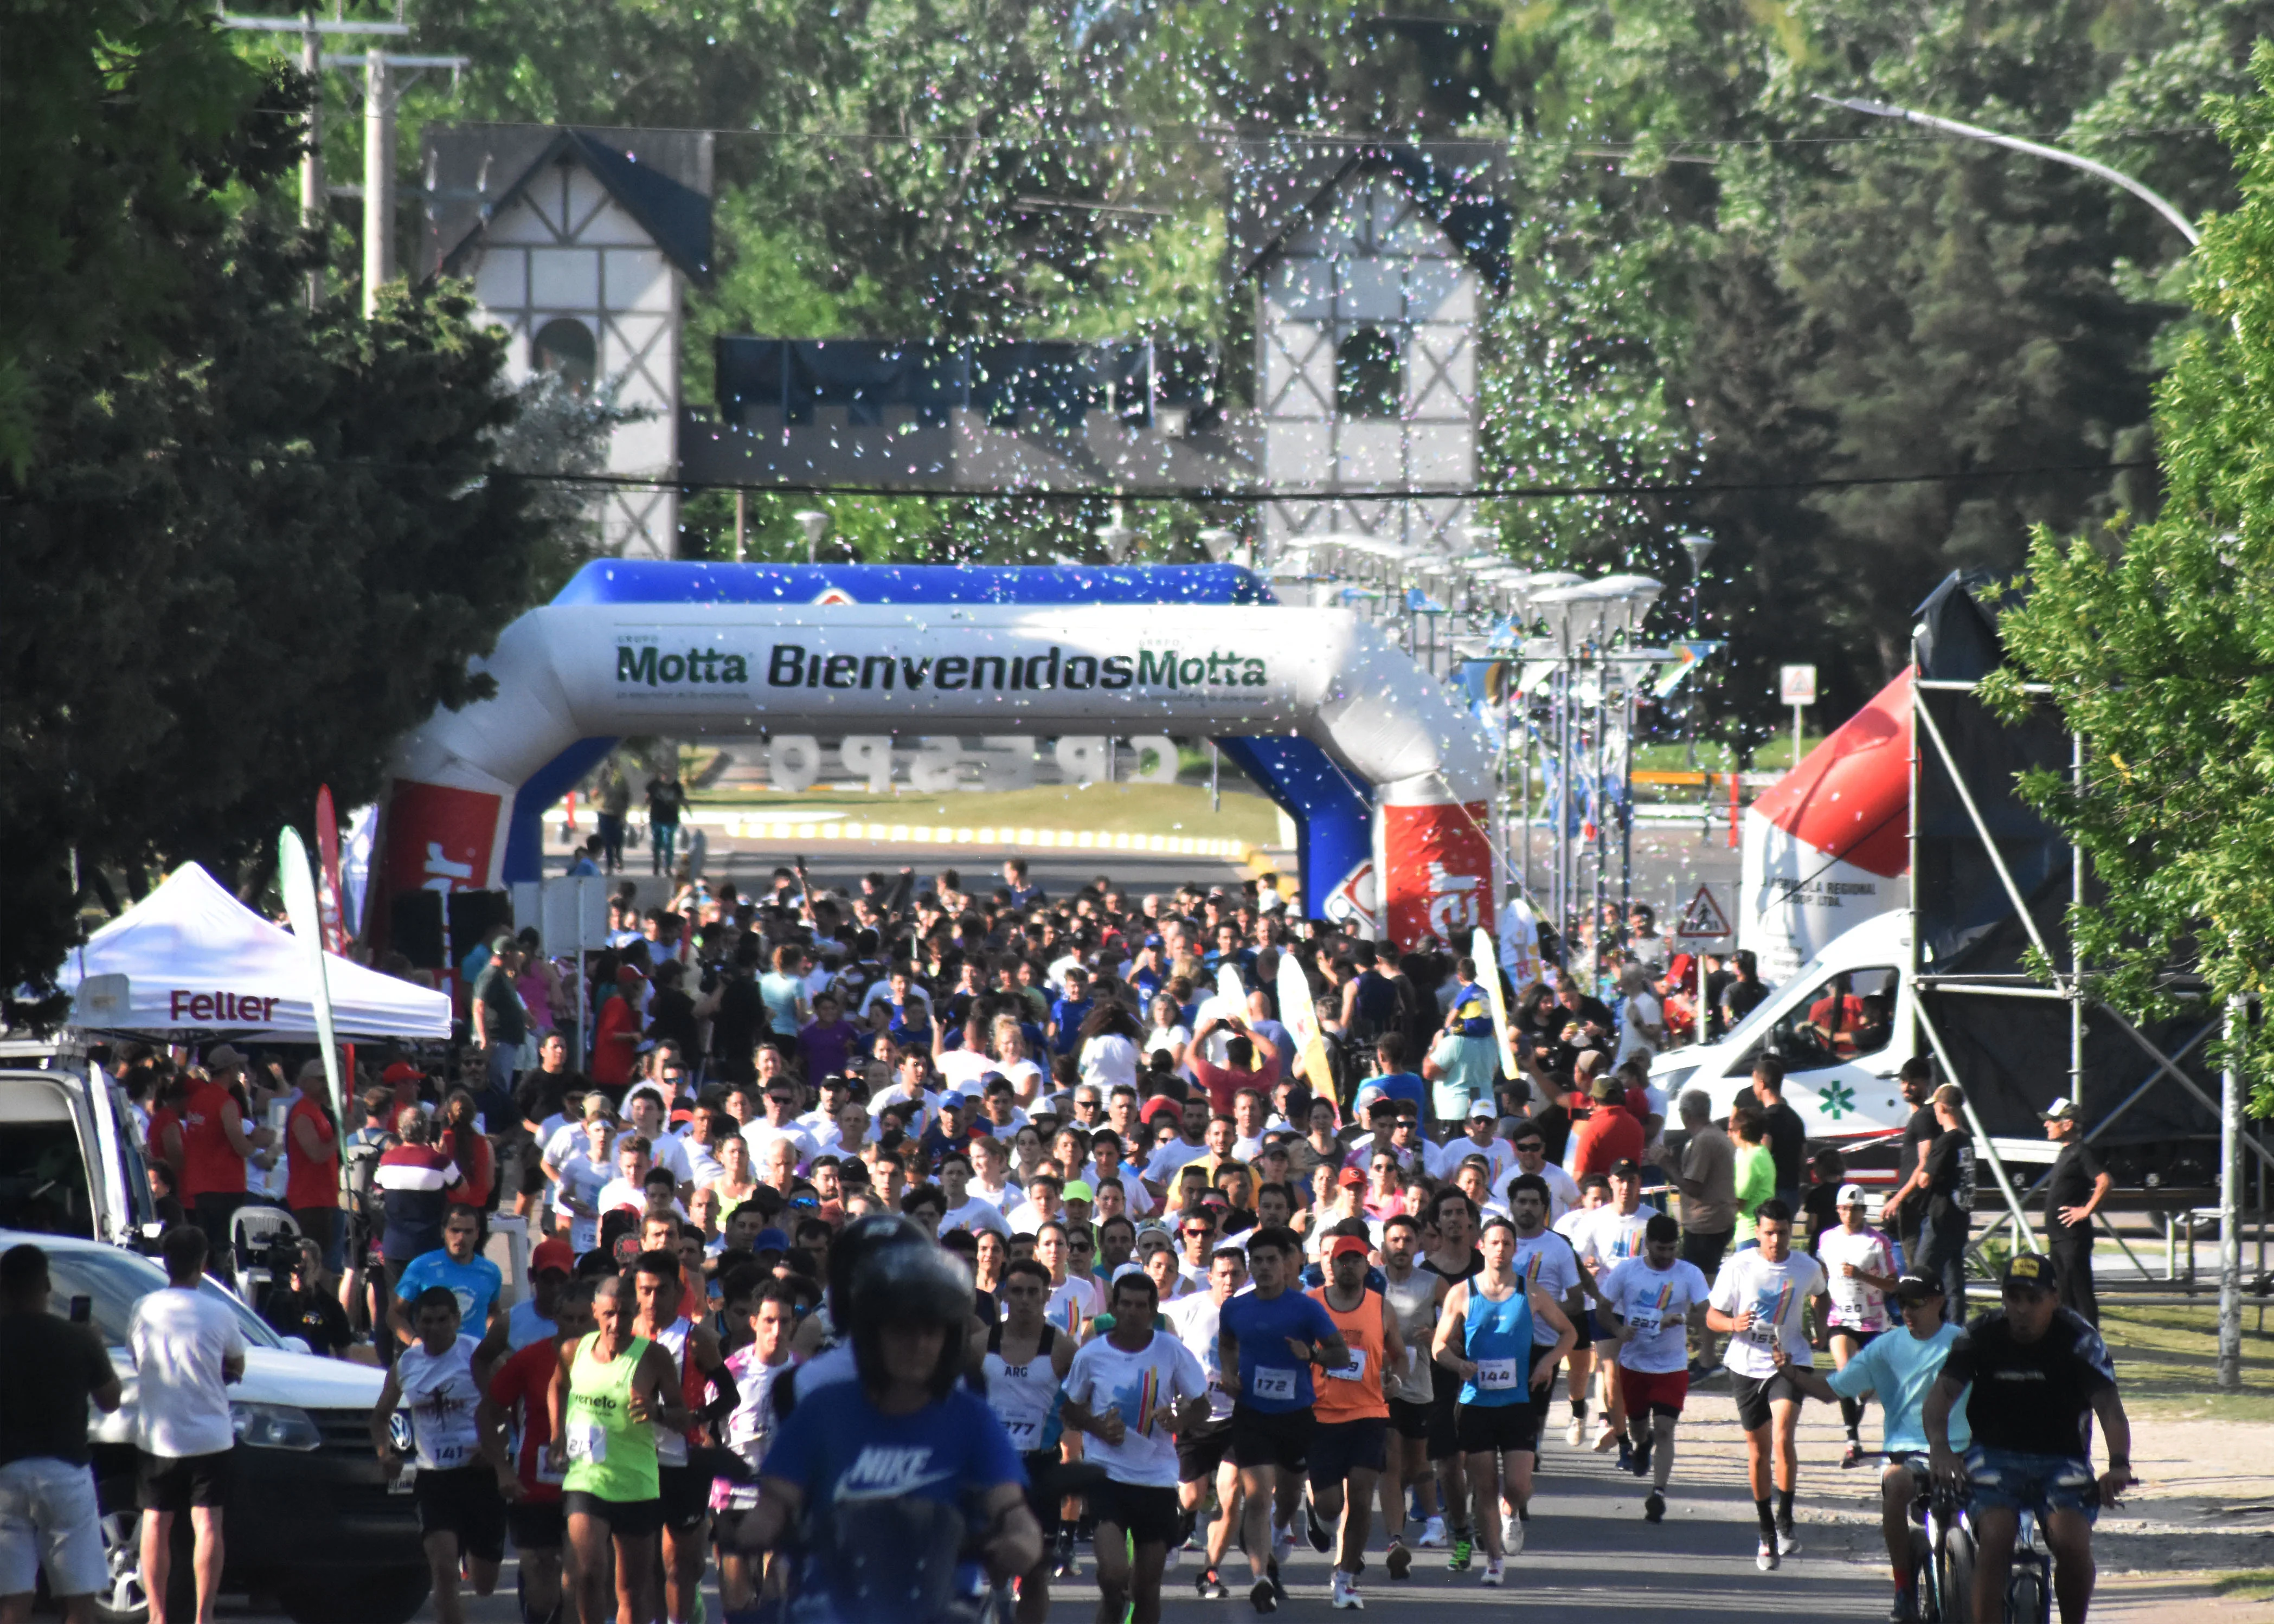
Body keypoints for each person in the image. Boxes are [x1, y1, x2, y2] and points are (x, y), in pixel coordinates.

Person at [725, 1224, 1043, 1624]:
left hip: (941, 1605)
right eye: (903, 1330)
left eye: (932, 1331)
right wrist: (755, 1529)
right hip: (833, 1605)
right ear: (872, 1335)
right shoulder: (821, 1412)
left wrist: (1021, 1542)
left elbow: (1013, 1511)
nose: (920, 1345)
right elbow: (775, 1503)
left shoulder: (972, 1418)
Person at [1925, 1253, 2130, 1624]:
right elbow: (1940, 1398)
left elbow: (2110, 1409)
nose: (2021, 1309)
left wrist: (2118, 1465)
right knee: (1996, 1535)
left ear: (2055, 1299)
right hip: (1992, 1455)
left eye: (2033, 1299)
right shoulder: (1981, 1334)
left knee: (2072, 1541)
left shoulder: (2080, 1340)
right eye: (2013, 1297)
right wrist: (1940, 1448)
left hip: (2062, 1459)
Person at [1770, 1273, 1969, 1623]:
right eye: (1901, 1303)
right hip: (1908, 1454)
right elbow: (1832, 1391)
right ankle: (1904, 1587)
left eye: (1916, 1302)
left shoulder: (1965, 1343)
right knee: (1896, 1484)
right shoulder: (1883, 1348)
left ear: (1938, 1301)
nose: (1907, 1310)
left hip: (1966, 1452)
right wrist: (1791, 1374)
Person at [1428, 1215, 1575, 1587]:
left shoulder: (1533, 1293)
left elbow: (1569, 1333)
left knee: (1519, 1485)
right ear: (1482, 1247)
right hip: (1476, 1404)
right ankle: (1494, 1560)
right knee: (1485, 1485)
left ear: (1514, 1249)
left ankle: (1512, 1510)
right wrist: (1459, 1364)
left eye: (1507, 1243)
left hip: (1518, 1403)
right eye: (1494, 1243)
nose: (1500, 1249)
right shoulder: (1462, 1293)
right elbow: (1438, 1346)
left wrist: (1547, 1362)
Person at [1061, 1272, 1211, 1624]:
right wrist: (1098, 1427)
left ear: (1153, 1311)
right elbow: (1069, 1407)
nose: (1131, 1312)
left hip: (1157, 1478)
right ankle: (1112, 1599)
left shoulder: (1170, 1350)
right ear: (1113, 1308)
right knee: (1113, 1577)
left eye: (1140, 1306)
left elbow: (1201, 1404)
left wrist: (1180, 1421)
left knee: (1147, 1590)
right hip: (1106, 1475)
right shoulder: (1092, 1354)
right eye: (1124, 1304)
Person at [1217, 1227, 1349, 1615]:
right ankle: (1260, 1578)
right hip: (1253, 1414)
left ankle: (1283, 1529)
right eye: (1256, 1261)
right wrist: (1230, 1375)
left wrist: (1311, 1354)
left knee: (1290, 1494)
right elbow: (1227, 1343)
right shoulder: (1236, 1308)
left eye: (1272, 1260)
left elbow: (1341, 1355)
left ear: (1287, 1263)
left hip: (1296, 1416)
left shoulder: (1305, 1308)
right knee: (1257, 1496)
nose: (1264, 1267)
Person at [548, 1275, 688, 1624]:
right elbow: (557, 1386)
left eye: (625, 1314)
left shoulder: (652, 1357)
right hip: (587, 1478)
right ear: (595, 1311)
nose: (616, 1323)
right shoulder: (573, 1350)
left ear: (635, 1313)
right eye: (609, 1313)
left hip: (636, 1483)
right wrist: (556, 1434)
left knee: (631, 1591)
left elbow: (681, 1416)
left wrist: (658, 1412)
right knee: (588, 1574)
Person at [129, 1226, 247, 1624]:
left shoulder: (143, 1308)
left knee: (155, 1521)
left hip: (158, 1433)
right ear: (203, 1263)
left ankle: (157, 1616)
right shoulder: (219, 1311)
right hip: (210, 1433)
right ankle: (204, 1615)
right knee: (207, 1523)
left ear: (166, 1262)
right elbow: (238, 1362)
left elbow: (137, 1357)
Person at [0, 1244, 124, 1624]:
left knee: (12, 1598)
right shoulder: (78, 1338)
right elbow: (111, 1401)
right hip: (65, 1470)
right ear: (48, 1284)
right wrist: (95, 1345)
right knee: (80, 1598)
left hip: (6, 1473)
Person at [1704, 1199, 1828, 1571]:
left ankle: (1786, 1518)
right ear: (1757, 1232)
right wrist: (1732, 1326)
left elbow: (1822, 1293)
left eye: (1784, 1232)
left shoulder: (1806, 1266)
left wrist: (1820, 1328)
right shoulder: (1738, 1266)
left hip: (1789, 1361)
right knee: (1758, 1451)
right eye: (1770, 1233)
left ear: (1793, 1231)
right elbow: (1711, 1316)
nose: (1776, 1240)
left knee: (1783, 1436)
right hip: (1745, 1365)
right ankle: (1766, 1532)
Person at [371, 1287, 506, 1624]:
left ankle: (480, 1556)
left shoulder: (477, 1355)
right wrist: (385, 1453)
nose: (433, 1328)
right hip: (434, 1477)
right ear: (416, 1323)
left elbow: (510, 1407)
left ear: (457, 1320)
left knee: (485, 1580)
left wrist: (495, 1448)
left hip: (478, 1472)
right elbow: (380, 1417)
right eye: (426, 1321)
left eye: (442, 1320)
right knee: (444, 1569)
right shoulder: (408, 1364)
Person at [1305, 1233, 1409, 1608]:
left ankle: (1346, 1576)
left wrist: (1395, 1379)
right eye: (1341, 1259)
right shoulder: (1311, 1304)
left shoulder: (1381, 1307)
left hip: (1369, 1411)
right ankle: (1316, 1514)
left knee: (1362, 1495)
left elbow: (1399, 1354)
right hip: (1321, 1413)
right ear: (1329, 1265)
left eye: (1356, 1259)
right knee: (1331, 1506)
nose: (1348, 1266)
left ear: (1368, 1265)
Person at [481, 1281, 595, 1624]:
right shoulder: (529, 1358)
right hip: (534, 1481)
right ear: (555, 1319)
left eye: (584, 1319)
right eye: (568, 1319)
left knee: (580, 1577)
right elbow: (488, 1413)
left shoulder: (611, 1361)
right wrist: (501, 1468)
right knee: (539, 1576)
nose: (576, 1327)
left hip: (591, 1482)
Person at [1595, 1214, 1711, 1525]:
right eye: (1660, 1250)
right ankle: (1641, 1445)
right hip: (1634, 1363)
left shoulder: (1690, 1274)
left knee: (1665, 1428)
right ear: (1647, 1245)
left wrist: (1683, 1319)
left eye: (1672, 1249)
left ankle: (1658, 1493)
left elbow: (1707, 1315)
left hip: (1672, 1366)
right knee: (1639, 1427)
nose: (1666, 1256)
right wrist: (1619, 1332)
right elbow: (1602, 1310)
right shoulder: (1628, 1271)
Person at [985, 1261, 1076, 1624]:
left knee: (1036, 1569)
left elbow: (1081, 1403)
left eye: (1033, 1293)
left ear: (1046, 1296)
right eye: (1017, 1292)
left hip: (1041, 1466)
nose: (1024, 1300)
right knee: (995, 1558)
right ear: (1005, 1295)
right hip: (995, 1468)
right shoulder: (981, 1343)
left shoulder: (1063, 1348)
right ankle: (998, 1595)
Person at [1164, 1246, 1248, 1601]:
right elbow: (1166, 1353)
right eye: (1222, 1274)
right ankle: (1181, 1520)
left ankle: (1209, 1572)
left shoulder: (1253, 1313)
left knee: (1230, 1495)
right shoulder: (1187, 1309)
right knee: (1193, 1495)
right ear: (1210, 1277)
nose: (1228, 1281)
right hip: (1195, 1416)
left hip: (1237, 1417)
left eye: (1235, 1274)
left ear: (1246, 1277)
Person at [1817, 1184, 1902, 1468]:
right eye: (1844, 1209)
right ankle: (1852, 1442)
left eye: (1855, 1209)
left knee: (1864, 1388)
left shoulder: (1878, 1242)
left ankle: (1862, 1401)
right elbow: (1822, 1276)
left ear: (1864, 1211)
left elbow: (1893, 1284)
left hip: (1873, 1322)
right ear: (1838, 1210)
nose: (1849, 1214)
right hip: (1840, 1319)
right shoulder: (1827, 1239)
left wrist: (1862, 1276)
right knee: (1846, 1374)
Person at [1665, 1089, 1736, 1375]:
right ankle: (1705, 1354)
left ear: (1685, 1114)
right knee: (1701, 1291)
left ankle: (1707, 1358)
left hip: (1707, 1225)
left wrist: (1664, 1162)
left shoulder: (1706, 1140)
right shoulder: (1716, 1136)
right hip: (1712, 1222)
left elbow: (1693, 1185)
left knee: (1702, 1295)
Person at [389, 1204, 505, 1350]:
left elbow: (493, 1311)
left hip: (473, 1357)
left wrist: (494, 1341)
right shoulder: (422, 1267)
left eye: (468, 1232)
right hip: (433, 1354)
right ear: (443, 1232)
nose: (461, 1238)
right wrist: (415, 1342)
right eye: (455, 1231)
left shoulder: (491, 1272)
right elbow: (394, 1313)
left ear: (477, 1234)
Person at [2039, 1098, 2111, 1326]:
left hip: (2073, 1238)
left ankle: (2090, 1346)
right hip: (2059, 1238)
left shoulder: (2081, 1152)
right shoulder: (2066, 1152)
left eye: (2052, 1121)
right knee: (2063, 1295)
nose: (2046, 1125)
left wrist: (2086, 1210)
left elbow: (2105, 1181)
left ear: (2067, 1124)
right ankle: (2068, 1344)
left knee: (2080, 1295)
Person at [1917, 1085, 1977, 1320]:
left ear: (1941, 1107)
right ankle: (1956, 1329)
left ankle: (1921, 1324)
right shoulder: (1966, 1140)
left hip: (1941, 1217)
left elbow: (1924, 1180)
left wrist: (1925, 1165)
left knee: (1921, 1275)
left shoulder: (1946, 1141)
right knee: (1954, 1282)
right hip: (1960, 1217)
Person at [1748, 1058, 1809, 1213]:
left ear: (1762, 1084)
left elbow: (1759, 1158)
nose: (1753, 1088)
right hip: (1792, 1191)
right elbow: (1802, 1158)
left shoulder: (1765, 1120)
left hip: (1771, 1192)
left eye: (1754, 1083)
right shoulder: (1796, 1119)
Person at [645, 768, 687, 877]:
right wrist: (642, 811)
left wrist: (687, 809)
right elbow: (647, 799)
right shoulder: (654, 785)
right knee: (657, 843)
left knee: (669, 843)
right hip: (656, 818)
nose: (666, 777)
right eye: (664, 775)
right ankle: (656, 865)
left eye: (669, 775)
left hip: (671, 819)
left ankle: (668, 867)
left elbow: (681, 799)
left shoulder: (676, 786)